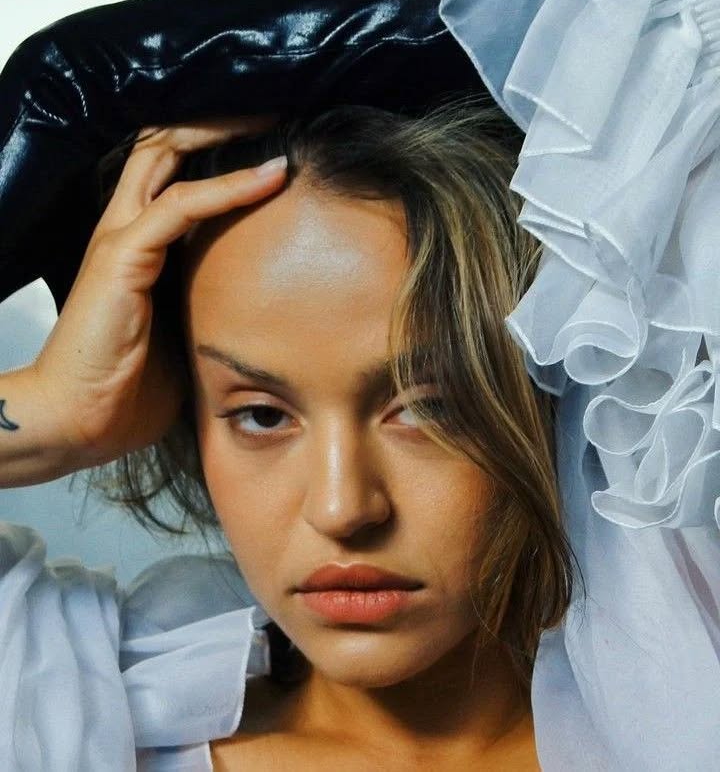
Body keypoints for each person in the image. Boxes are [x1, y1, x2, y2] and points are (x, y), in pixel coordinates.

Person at [1, 96, 568, 770]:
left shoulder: (662, 732)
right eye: (263, 415)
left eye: (429, 409)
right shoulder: (71, 718)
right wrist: (54, 411)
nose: (342, 508)